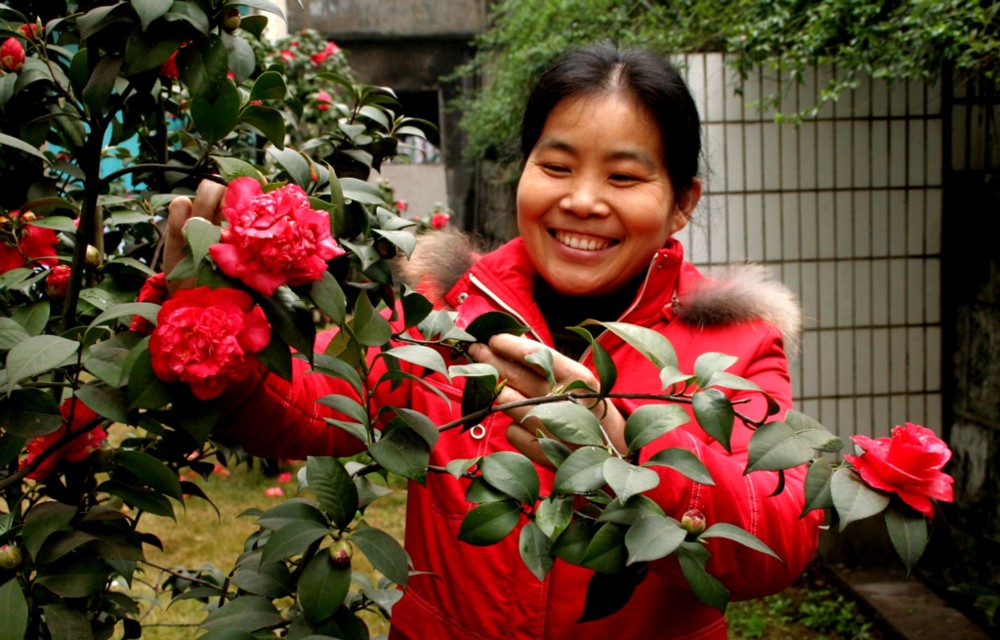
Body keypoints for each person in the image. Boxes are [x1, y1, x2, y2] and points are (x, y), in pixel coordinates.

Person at [164, 44, 821, 640]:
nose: (583, 200)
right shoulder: (449, 306)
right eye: (557, 165)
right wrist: (212, 331)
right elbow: (315, 406)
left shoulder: (733, 344)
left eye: (623, 177)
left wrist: (618, 444)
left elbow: (776, 544)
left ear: (682, 202)